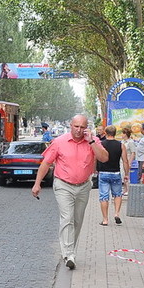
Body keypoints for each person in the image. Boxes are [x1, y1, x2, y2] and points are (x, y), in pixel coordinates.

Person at [33, 114, 109, 270]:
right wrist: (37, 184)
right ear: (71, 126)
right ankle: (69, 254)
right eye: (76, 126)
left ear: (86, 128)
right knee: (67, 217)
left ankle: (69, 250)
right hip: (63, 185)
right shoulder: (59, 142)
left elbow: (104, 158)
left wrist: (92, 142)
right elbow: (46, 163)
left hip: (83, 186)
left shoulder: (93, 141)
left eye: (82, 127)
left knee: (77, 220)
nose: (79, 130)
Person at [96, 125, 128, 226]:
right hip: (116, 173)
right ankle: (116, 213)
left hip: (103, 173)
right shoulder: (121, 145)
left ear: (105, 132)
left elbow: (95, 157)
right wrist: (126, 174)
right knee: (118, 194)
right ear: (115, 133)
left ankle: (105, 220)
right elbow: (125, 161)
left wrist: (94, 170)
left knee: (104, 196)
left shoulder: (101, 144)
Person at [121, 127, 137, 193]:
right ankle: (125, 189)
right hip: (121, 161)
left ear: (125, 134)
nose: (121, 135)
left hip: (127, 160)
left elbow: (133, 153)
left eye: (122, 133)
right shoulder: (123, 141)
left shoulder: (130, 142)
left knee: (127, 175)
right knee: (123, 175)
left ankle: (128, 189)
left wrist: (130, 162)